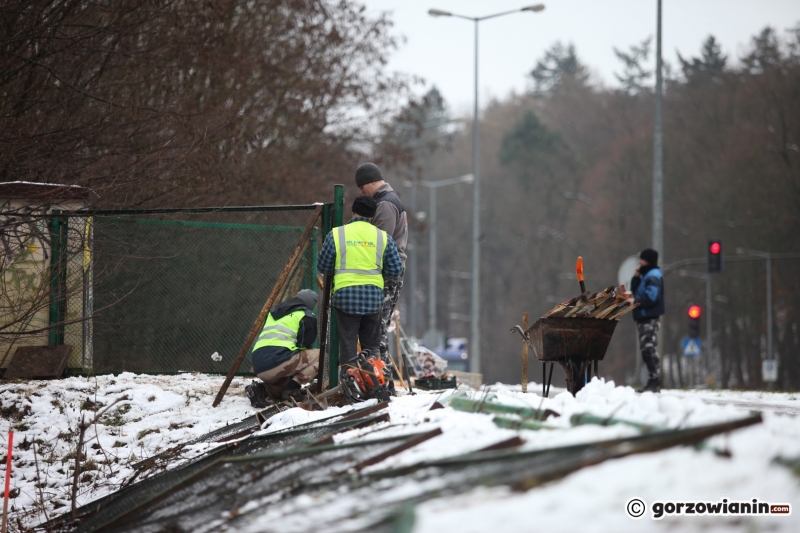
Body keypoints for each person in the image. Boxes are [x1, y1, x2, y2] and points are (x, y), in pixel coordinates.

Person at [317, 195, 403, 397]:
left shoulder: (337, 235)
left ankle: (352, 391)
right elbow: (395, 270)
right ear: (372, 217)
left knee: (348, 351)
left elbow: (323, 266)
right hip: (374, 300)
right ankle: (377, 386)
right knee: (372, 350)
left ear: (353, 212)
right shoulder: (382, 238)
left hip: (345, 299)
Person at [354, 163, 408, 375]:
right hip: (391, 270)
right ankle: (380, 376)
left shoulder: (384, 205)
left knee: (377, 328)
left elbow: (380, 243)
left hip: (387, 272)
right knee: (378, 325)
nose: (360, 192)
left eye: (361, 186)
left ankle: (382, 376)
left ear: (370, 182)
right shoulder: (391, 199)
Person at [245, 289, 319, 407]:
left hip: (258, 364)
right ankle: (292, 390)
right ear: (311, 304)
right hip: (277, 362)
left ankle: (261, 390)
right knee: (323, 356)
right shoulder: (305, 315)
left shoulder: (274, 312)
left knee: (284, 386)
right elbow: (304, 344)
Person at [629, 248, 665, 393]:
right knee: (646, 349)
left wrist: (636, 301)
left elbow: (651, 296)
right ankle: (653, 380)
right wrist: (636, 277)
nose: (639, 262)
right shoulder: (646, 275)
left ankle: (655, 380)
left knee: (649, 349)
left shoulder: (653, 276)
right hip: (644, 317)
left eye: (642, 259)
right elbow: (636, 290)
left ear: (648, 260)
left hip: (649, 317)